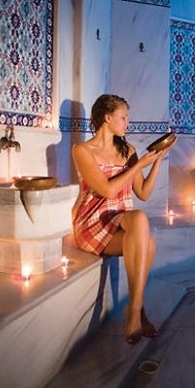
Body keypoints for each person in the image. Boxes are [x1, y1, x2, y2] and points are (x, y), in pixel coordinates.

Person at [71, 94, 174, 345]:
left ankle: (134, 309)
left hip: (120, 218)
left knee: (139, 218)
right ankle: (138, 311)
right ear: (107, 118)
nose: (128, 122)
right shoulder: (83, 151)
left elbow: (144, 193)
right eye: (124, 117)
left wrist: (157, 160)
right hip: (93, 222)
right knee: (148, 243)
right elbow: (107, 191)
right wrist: (138, 165)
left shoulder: (128, 151)